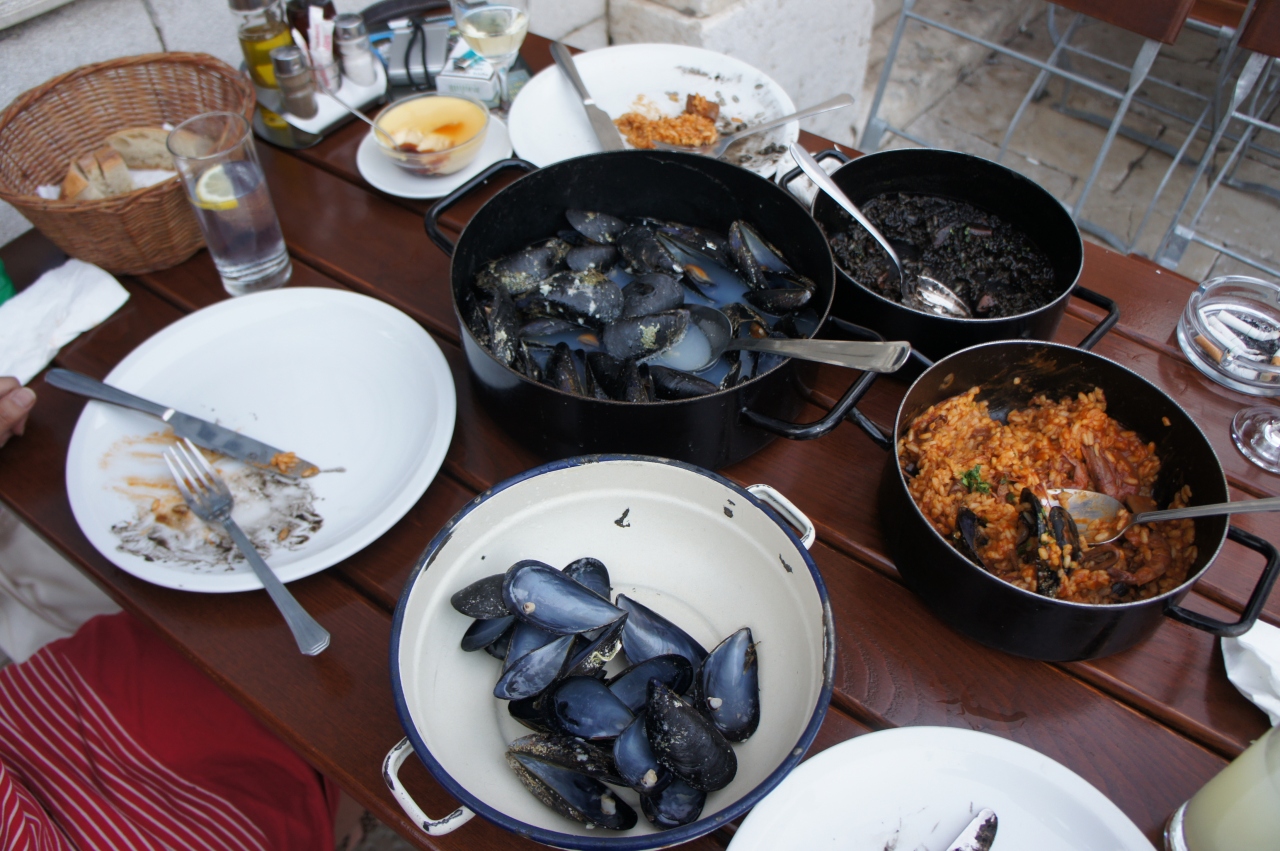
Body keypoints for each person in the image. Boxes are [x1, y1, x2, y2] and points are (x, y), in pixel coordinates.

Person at [0, 377, 362, 850]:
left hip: (55, 707)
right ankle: (341, 815)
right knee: (344, 704)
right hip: (189, 819)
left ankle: (342, 815)